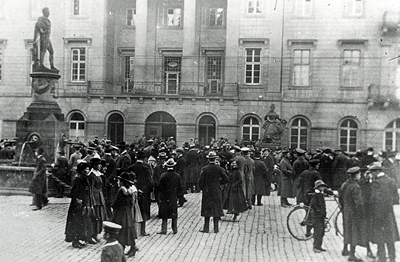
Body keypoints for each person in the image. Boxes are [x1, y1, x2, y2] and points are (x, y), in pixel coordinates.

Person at [368, 162, 400, 262]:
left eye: (372, 172)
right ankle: (392, 258)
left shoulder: (376, 182)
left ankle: (381, 258)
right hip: (389, 213)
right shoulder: (390, 180)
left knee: (380, 237)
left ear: (377, 171)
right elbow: (396, 198)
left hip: (378, 214)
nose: (371, 174)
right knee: (390, 236)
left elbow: (374, 199)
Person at [338, 166, 366, 262]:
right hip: (354, 212)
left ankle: (345, 249)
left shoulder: (344, 184)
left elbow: (340, 198)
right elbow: (359, 202)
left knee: (347, 229)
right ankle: (352, 255)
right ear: (356, 176)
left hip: (346, 211)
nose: (360, 176)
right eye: (359, 174)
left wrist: (342, 208)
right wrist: (362, 213)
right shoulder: (356, 187)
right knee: (354, 232)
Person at [198, 151, 229, 233]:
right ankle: (216, 228)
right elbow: (226, 179)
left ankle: (206, 228)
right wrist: (219, 184)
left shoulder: (204, 169)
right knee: (216, 209)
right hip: (216, 190)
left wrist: (203, 188)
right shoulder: (219, 169)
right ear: (215, 159)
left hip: (207, 191)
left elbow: (200, 182)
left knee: (207, 209)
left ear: (208, 159)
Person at [65, 161, 93, 248]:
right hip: (77, 205)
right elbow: (74, 192)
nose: (87, 170)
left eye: (88, 169)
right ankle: (75, 241)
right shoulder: (78, 179)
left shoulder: (84, 178)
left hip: (82, 203)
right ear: (81, 170)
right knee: (76, 222)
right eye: (86, 169)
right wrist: (78, 200)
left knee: (80, 221)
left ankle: (78, 239)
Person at [111, 172, 139, 257]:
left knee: (120, 231)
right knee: (129, 230)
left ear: (122, 181)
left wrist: (112, 206)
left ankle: (121, 250)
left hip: (120, 213)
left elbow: (116, 202)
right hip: (128, 212)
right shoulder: (131, 190)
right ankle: (133, 247)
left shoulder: (121, 190)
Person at [126, 150, 153, 236]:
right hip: (144, 192)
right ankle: (143, 230)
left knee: (134, 210)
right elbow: (150, 181)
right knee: (144, 210)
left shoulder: (131, 167)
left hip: (133, 190)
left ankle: (133, 231)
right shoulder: (147, 167)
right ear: (144, 158)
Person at [157, 158, 183, 235]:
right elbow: (180, 187)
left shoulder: (163, 175)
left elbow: (159, 187)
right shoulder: (177, 176)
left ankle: (164, 229)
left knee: (164, 213)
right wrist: (178, 195)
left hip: (165, 196)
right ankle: (175, 229)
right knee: (173, 212)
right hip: (173, 196)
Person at [309, 180, 334, 253]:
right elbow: (312, 204)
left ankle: (319, 246)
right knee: (318, 232)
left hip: (321, 216)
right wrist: (318, 211)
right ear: (318, 187)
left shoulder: (321, 194)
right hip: (317, 217)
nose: (323, 188)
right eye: (322, 186)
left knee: (322, 232)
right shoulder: (316, 195)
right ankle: (316, 246)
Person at [87, 157, 108, 243]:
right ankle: (91, 235)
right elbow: (91, 188)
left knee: (99, 217)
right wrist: (92, 200)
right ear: (94, 165)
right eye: (98, 165)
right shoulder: (91, 175)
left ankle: (95, 234)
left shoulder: (99, 174)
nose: (100, 166)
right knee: (94, 216)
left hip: (100, 197)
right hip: (95, 198)